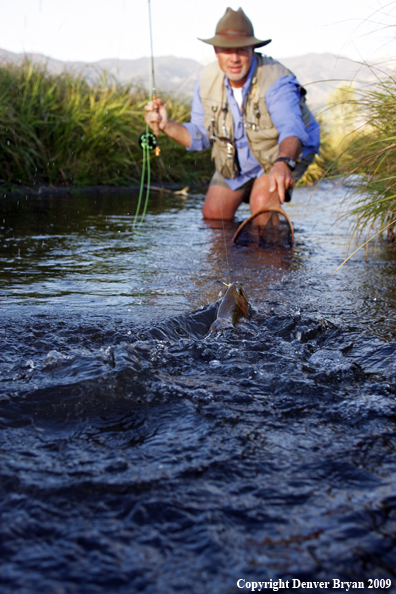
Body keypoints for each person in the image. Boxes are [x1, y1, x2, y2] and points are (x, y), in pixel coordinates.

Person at [145, 7, 320, 220]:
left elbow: (291, 129)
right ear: (216, 51)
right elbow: (200, 134)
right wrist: (166, 125)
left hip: (283, 153)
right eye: (227, 50)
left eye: (242, 49)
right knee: (212, 213)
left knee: (260, 206)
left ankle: (271, 251)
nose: (234, 58)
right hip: (238, 157)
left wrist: (284, 162)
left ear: (252, 50)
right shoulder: (207, 79)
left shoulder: (276, 80)